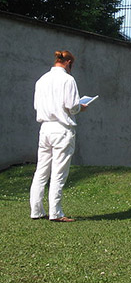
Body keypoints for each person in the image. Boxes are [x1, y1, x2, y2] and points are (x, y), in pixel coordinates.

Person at [30, 50, 88, 222]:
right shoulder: (68, 80)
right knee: (58, 172)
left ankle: (36, 210)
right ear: (68, 62)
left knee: (41, 170)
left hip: (45, 127)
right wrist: (81, 107)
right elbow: (71, 106)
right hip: (62, 128)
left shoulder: (42, 80)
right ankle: (56, 213)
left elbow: (36, 105)